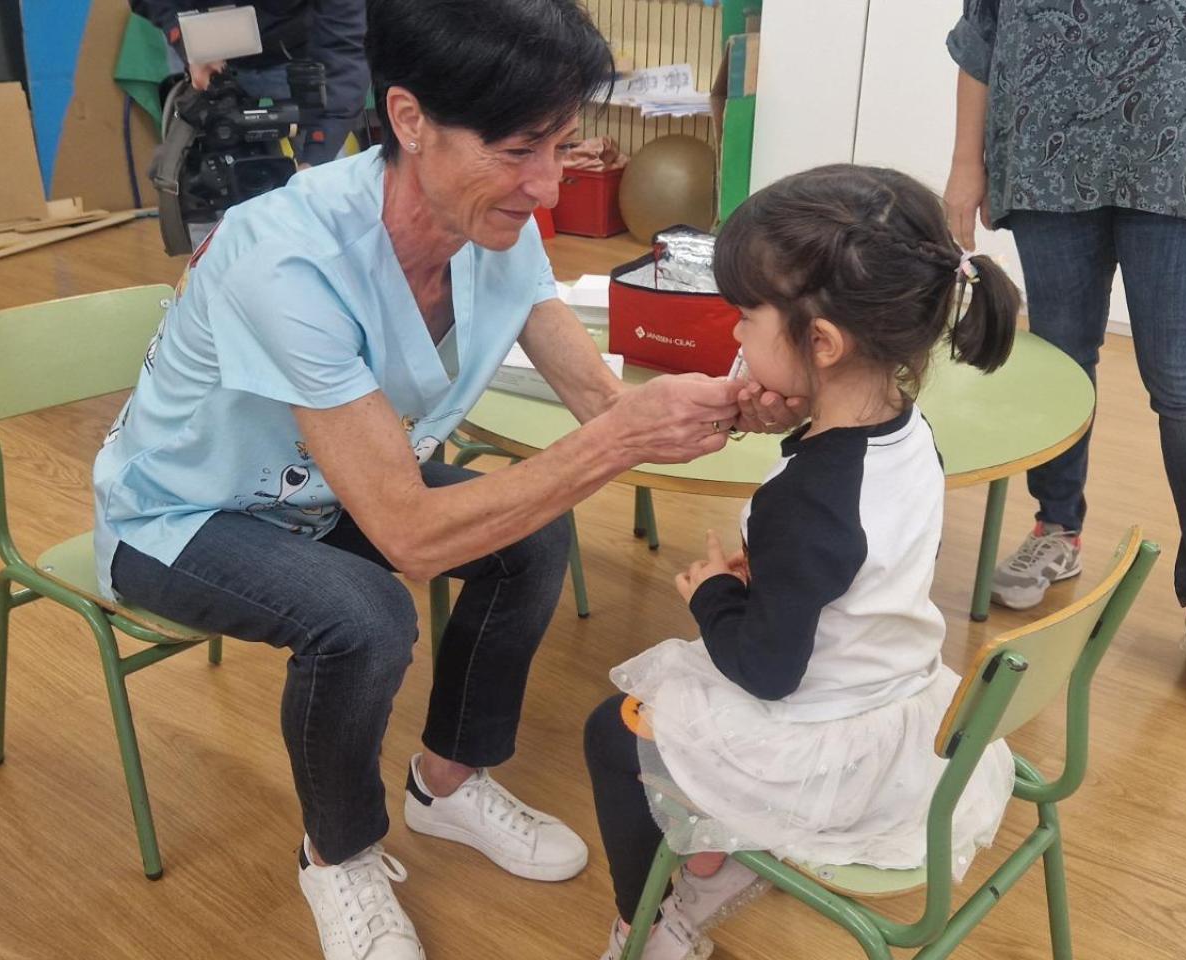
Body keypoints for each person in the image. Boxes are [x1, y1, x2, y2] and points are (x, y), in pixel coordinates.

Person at [92, 2, 799, 958]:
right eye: (518, 151)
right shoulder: (286, 259)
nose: (547, 186)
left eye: (560, 145)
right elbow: (412, 537)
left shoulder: (494, 225)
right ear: (411, 119)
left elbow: (600, 400)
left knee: (532, 537)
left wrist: (721, 399)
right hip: (182, 515)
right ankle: (336, 855)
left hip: (324, 490)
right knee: (364, 614)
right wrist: (620, 441)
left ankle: (448, 781)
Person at [583, 164, 1023, 960]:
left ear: (821, 343)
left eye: (747, 317)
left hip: (825, 736)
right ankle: (716, 847)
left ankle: (642, 925)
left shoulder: (805, 504)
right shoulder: (908, 431)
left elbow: (765, 670)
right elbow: (846, 560)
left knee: (612, 733)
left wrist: (714, 592)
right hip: (902, 703)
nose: (736, 336)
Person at [944, 0, 1186, 716]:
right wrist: (965, 163)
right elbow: (983, 32)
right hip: (1044, 147)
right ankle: (1055, 528)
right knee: (1059, 361)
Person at [130, 0, 367, 168]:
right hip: (205, 43)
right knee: (201, 180)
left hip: (294, 52)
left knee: (328, 178)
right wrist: (184, 39)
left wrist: (316, 159)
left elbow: (344, 57)